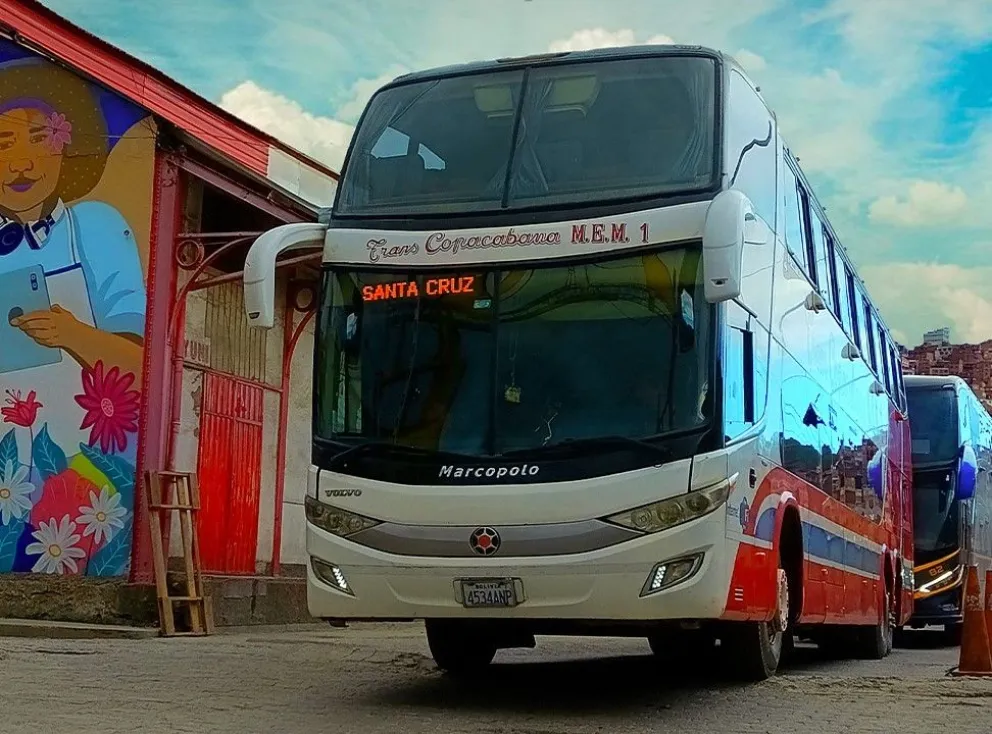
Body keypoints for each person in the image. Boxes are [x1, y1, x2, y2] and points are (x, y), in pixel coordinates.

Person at [0, 57, 146, 467]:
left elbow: (140, 367)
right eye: (3, 144)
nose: (21, 163)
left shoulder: (96, 227)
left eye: (38, 139)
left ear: (67, 146)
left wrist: (72, 333)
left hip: (89, 466)